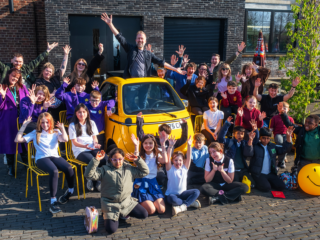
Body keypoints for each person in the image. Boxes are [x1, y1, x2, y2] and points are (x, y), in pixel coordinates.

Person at [14, 113, 75, 214]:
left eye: (47, 122)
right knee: (54, 171)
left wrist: (62, 128)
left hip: (55, 156)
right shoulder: (35, 133)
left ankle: (70, 191)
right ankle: (53, 201)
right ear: (39, 123)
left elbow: (65, 139)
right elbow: (17, 140)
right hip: (41, 158)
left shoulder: (56, 131)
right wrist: (24, 126)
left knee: (68, 168)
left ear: (51, 122)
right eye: (42, 122)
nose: (45, 124)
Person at [101, 13, 186, 79]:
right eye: (138, 38)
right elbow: (120, 38)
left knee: (143, 102)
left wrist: (175, 69)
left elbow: (161, 62)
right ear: (135, 40)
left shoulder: (149, 54)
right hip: (131, 83)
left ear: (145, 41)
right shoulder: (130, 49)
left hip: (144, 84)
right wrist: (110, 24)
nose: (140, 40)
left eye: (142, 39)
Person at [84, 149, 149, 234]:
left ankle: (122, 214)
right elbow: (88, 175)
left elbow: (145, 171)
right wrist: (96, 160)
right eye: (114, 159)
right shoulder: (104, 170)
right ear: (111, 159)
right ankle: (105, 215)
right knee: (111, 230)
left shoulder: (129, 169)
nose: (117, 162)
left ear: (123, 158)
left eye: (120, 159)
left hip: (126, 202)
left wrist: (137, 160)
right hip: (110, 204)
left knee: (144, 214)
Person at [136, 112, 188, 187]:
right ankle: (158, 186)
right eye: (162, 133)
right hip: (158, 165)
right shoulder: (155, 141)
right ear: (159, 132)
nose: (164, 135)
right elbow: (141, 136)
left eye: (166, 134)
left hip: (169, 165)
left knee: (175, 175)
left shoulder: (171, 142)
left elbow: (184, 139)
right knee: (161, 176)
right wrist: (139, 121)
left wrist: (184, 125)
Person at [68, 103, 107, 192]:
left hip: (92, 147)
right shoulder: (72, 125)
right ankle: (91, 179)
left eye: (83, 112)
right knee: (93, 160)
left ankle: (98, 180)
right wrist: (84, 146)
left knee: (104, 159)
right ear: (76, 113)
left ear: (87, 113)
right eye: (79, 112)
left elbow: (94, 138)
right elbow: (74, 142)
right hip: (80, 150)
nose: (82, 114)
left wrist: (96, 144)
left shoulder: (92, 123)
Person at [243, 127, 293, 192]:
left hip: (270, 173)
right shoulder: (255, 146)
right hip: (258, 174)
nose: (266, 140)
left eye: (268, 138)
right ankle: (255, 181)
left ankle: (267, 182)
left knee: (281, 187)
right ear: (260, 137)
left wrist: (288, 137)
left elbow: (284, 149)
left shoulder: (272, 146)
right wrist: (250, 140)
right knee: (266, 188)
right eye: (263, 138)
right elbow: (248, 154)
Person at [0, 68, 29, 175]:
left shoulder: (22, 87)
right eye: (13, 76)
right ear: (8, 75)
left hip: (20, 119)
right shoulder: (2, 87)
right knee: (9, 143)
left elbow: (27, 101)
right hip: (8, 120)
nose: (15, 78)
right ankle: (10, 167)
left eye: (17, 77)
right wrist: (2, 96)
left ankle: (27, 164)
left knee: (23, 142)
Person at [131, 133, 167, 215]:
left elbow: (165, 160)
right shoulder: (140, 155)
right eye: (145, 143)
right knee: (151, 210)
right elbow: (135, 162)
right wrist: (136, 146)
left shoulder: (157, 154)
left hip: (153, 183)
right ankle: (137, 202)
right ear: (142, 144)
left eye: (150, 143)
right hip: (141, 183)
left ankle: (150, 201)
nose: (148, 145)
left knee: (162, 210)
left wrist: (163, 144)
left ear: (154, 144)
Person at [165, 135, 201, 216]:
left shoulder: (185, 168)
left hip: (183, 194)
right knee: (172, 199)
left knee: (197, 191)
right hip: (172, 195)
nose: (178, 162)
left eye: (180, 160)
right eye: (176, 160)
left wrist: (189, 145)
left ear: (183, 161)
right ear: (172, 161)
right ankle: (189, 203)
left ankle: (183, 206)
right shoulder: (170, 169)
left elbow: (188, 157)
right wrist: (170, 146)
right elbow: (167, 158)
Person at [278, 102, 320, 172]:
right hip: (304, 160)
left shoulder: (319, 131)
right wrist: (283, 113)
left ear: (316, 125)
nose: (306, 124)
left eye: (310, 123)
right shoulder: (301, 130)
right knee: (302, 179)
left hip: (317, 161)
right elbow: (289, 124)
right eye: (306, 122)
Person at [218, 117, 259, 187]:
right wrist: (226, 124)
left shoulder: (244, 143)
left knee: (252, 185)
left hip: (243, 170)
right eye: (238, 133)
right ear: (234, 134)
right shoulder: (229, 142)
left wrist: (256, 130)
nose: (240, 135)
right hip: (233, 170)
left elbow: (255, 141)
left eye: (242, 134)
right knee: (235, 184)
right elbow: (220, 138)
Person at [35, 45, 72, 122]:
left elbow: (62, 68)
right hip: (49, 109)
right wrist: (54, 94)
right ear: (43, 71)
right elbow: (39, 95)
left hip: (61, 107)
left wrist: (66, 54)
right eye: (46, 70)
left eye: (50, 71)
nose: (48, 73)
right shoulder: (39, 81)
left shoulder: (55, 78)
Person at [270, 102, 294, 169]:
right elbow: (271, 128)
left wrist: (290, 133)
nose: (282, 109)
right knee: (280, 143)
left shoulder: (290, 118)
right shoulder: (274, 118)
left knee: (288, 144)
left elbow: (292, 128)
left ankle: (280, 161)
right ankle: (281, 161)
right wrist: (268, 133)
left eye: (284, 108)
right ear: (278, 108)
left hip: (287, 134)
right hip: (278, 134)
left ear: (288, 109)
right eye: (280, 108)